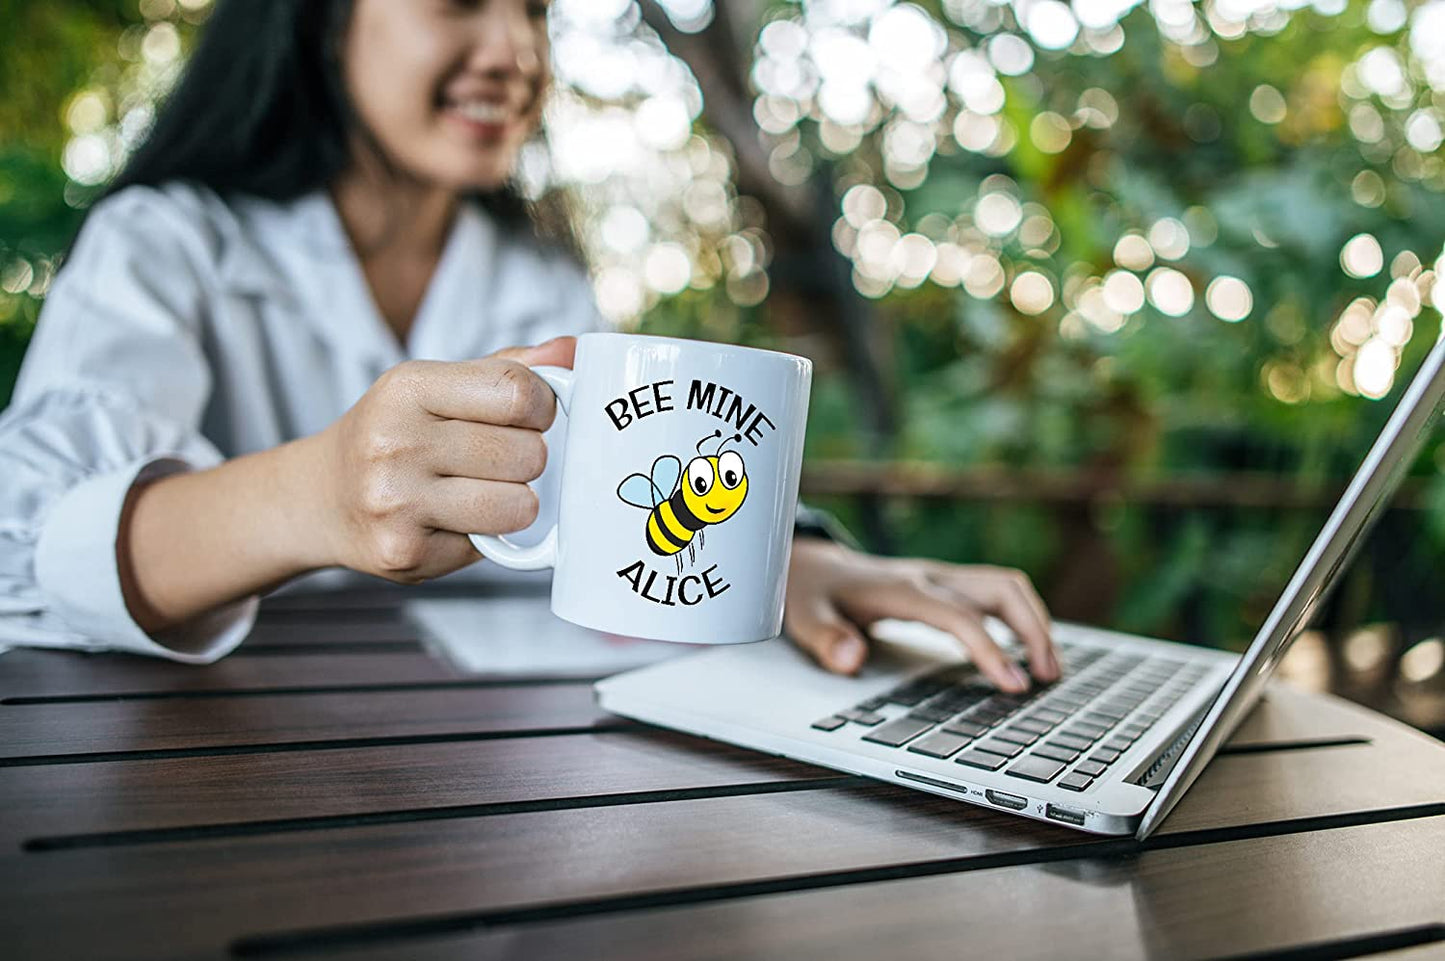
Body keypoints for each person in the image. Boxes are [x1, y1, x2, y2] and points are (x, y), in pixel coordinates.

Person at [0, 0, 1057, 693]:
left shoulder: (533, 274)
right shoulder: (169, 239)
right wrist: (314, 494)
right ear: (323, 22)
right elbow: (23, 545)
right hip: (195, 768)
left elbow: (609, 517)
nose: (514, 50)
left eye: (535, 10)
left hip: (497, 772)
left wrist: (792, 560)